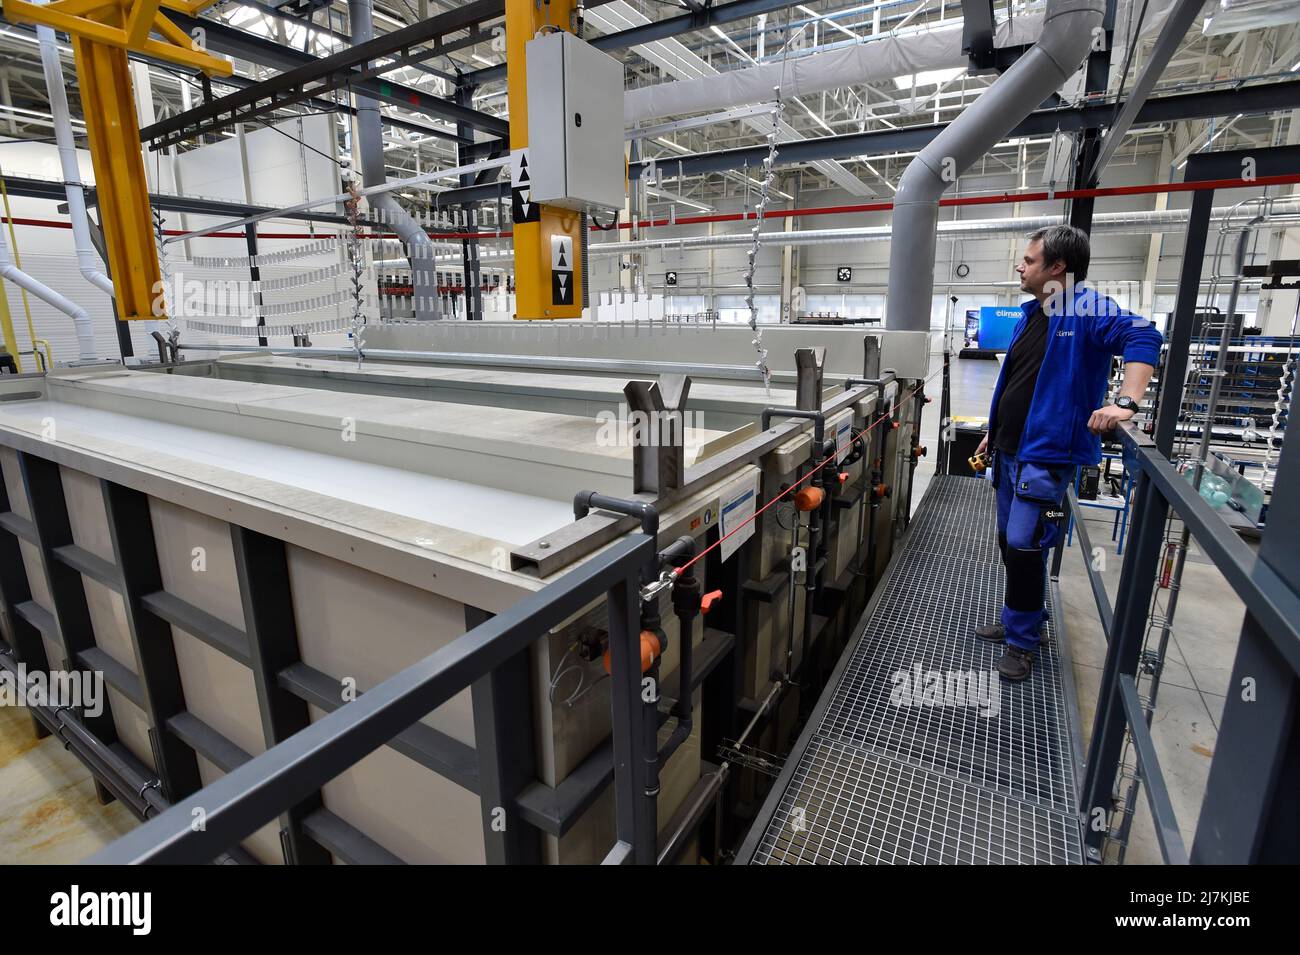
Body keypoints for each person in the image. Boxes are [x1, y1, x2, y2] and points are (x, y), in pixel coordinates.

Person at [973, 225, 1161, 681]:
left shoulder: (1087, 309)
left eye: (1030, 261)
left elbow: (1144, 336)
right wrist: (992, 432)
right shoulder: (1033, 313)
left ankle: (1023, 641)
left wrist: (1127, 402)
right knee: (1009, 541)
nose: (1020, 266)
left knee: (1024, 544)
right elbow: (1018, 381)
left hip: (1045, 457)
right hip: (1009, 450)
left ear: (1058, 268)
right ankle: (1025, 617)